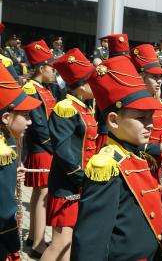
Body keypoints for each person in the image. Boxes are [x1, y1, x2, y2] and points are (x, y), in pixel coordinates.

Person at [71, 55, 162, 261]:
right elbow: (90, 243)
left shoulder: (137, 156)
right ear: (114, 121)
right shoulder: (108, 166)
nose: (150, 123)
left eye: (151, 116)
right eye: (141, 117)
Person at [40, 48, 98, 261]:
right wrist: (80, 177)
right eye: (91, 81)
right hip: (68, 181)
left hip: (80, 180)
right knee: (61, 241)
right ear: (81, 87)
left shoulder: (84, 107)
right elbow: (63, 150)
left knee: (70, 241)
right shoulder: (66, 107)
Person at [0, 64, 41, 261]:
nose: (30, 122)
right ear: (7, 117)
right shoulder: (3, 152)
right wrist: (13, 244)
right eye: (25, 116)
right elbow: (4, 211)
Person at [22, 40, 58, 258]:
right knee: (43, 195)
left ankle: (33, 236)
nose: (54, 72)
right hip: (42, 148)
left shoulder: (42, 88)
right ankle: (38, 243)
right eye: (51, 68)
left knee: (39, 193)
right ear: (40, 68)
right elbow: (39, 125)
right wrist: (55, 148)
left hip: (45, 148)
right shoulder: (30, 89)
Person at [130, 43, 162, 203]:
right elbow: (129, 144)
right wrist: (157, 148)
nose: (159, 81)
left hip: (159, 165)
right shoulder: (133, 105)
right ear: (141, 76)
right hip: (140, 164)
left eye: (160, 77)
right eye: (154, 77)